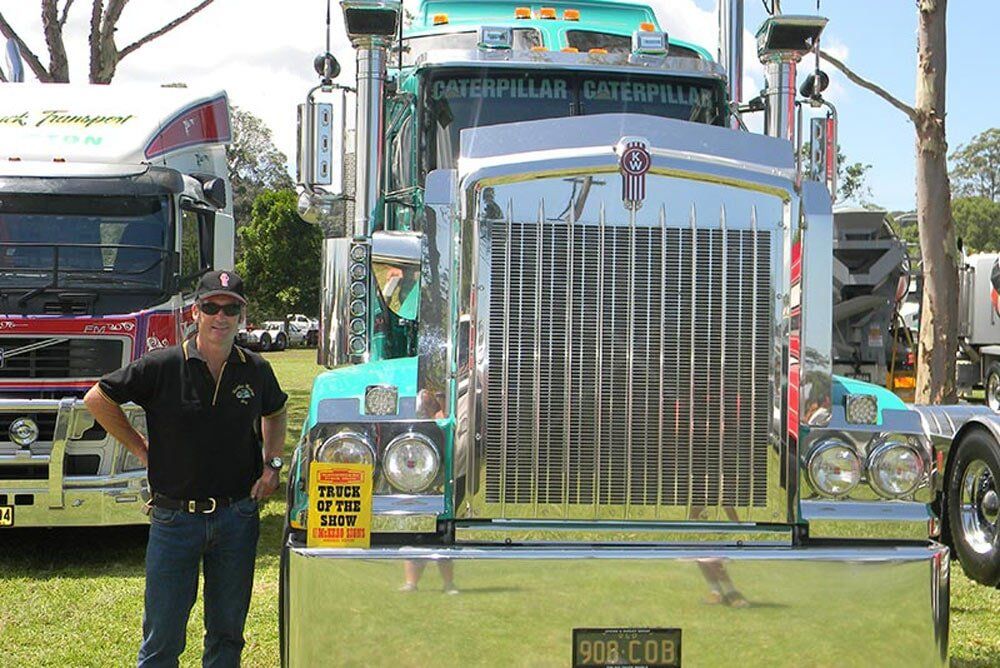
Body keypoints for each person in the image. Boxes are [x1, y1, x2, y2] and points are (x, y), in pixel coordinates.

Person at [83, 270, 288, 668]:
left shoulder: (256, 369)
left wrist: (272, 465)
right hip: (174, 520)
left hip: (237, 518)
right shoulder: (162, 365)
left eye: (231, 309)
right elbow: (98, 399)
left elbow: (276, 412)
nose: (220, 317)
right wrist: (142, 450)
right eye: (211, 307)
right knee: (162, 639)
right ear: (195, 312)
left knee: (227, 635)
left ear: (242, 316)